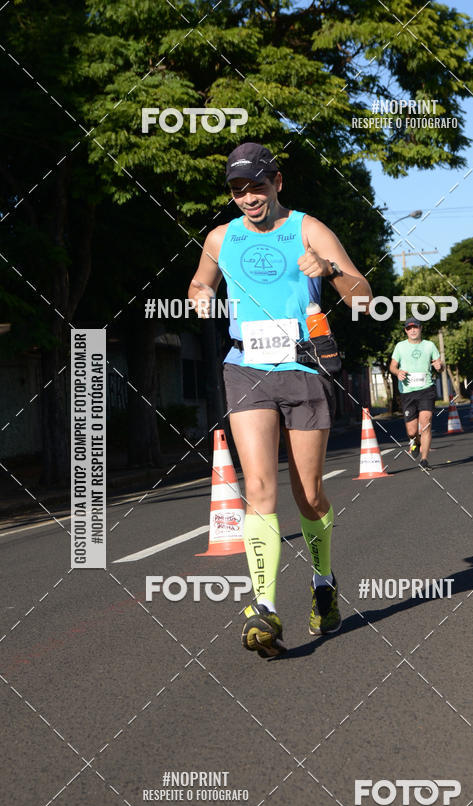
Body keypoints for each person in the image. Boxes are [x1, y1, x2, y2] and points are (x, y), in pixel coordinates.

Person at [188, 142, 373, 657]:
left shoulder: (308, 229)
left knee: (309, 494)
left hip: (304, 368)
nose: (248, 197)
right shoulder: (220, 238)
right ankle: (264, 607)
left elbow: (364, 297)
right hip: (245, 367)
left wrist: (330, 272)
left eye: (257, 186)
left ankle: (322, 580)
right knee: (260, 487)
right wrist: (200, 297)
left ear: (278, 182)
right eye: (237, 189)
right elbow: (199, 284)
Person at [389, 318, 443, 470]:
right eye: (409, 328)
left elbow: (440, 366)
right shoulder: (400, 347)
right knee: (412, 431)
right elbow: (392, 366)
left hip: (426, 390)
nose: (412, 330)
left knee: (425, 424)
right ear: (406, 331)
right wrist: (397, 372)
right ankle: (415, 441)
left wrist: (440, 366)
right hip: (407, 392)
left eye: (415, 327)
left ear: (421, 328)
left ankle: (424, 460)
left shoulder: (429, 345)